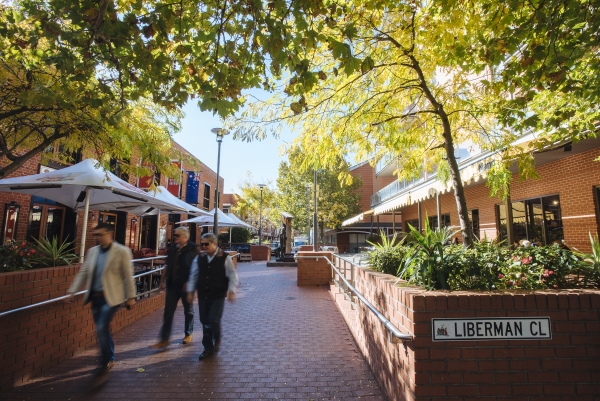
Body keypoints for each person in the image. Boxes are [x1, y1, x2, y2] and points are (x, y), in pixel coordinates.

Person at [65, 223, 136, 379]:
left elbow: (128, 276)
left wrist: (131, 297)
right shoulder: (92, 252)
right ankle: (109, 354)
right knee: (102, 328)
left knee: (102, 327)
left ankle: (105, 361)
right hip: (95, 297)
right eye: (95, 235)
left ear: (109, 234)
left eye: (100, 234)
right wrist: (72, 290)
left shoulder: (122, 251)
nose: (97, 238)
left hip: (112, 297)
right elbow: (83, 272)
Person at [186, 233, 238, 360]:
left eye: (206, 244)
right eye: (201, 244)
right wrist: (190, 291)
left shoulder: (224, 257)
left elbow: (232, 274)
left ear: (214, 243)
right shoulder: (199, 258)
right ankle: (207, 348)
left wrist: (232, 290)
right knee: (205, 321)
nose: (203, 247)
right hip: (203, 294)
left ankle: (217, 337)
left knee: (213, 319)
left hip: (218, 294)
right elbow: (193, 275)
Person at [151, 226, 197, 349]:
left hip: (186, 286)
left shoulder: (193, 248)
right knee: (168, 312)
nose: (175, 237)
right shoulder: (172, 248)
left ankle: (188, 333)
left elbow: (197, 268)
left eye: (177, 235)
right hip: (172, 285)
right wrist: (162, 281)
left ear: (185, 237)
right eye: (175, 235)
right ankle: (164, 339)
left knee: (188, 311)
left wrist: (192, 283)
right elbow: (167, 265)